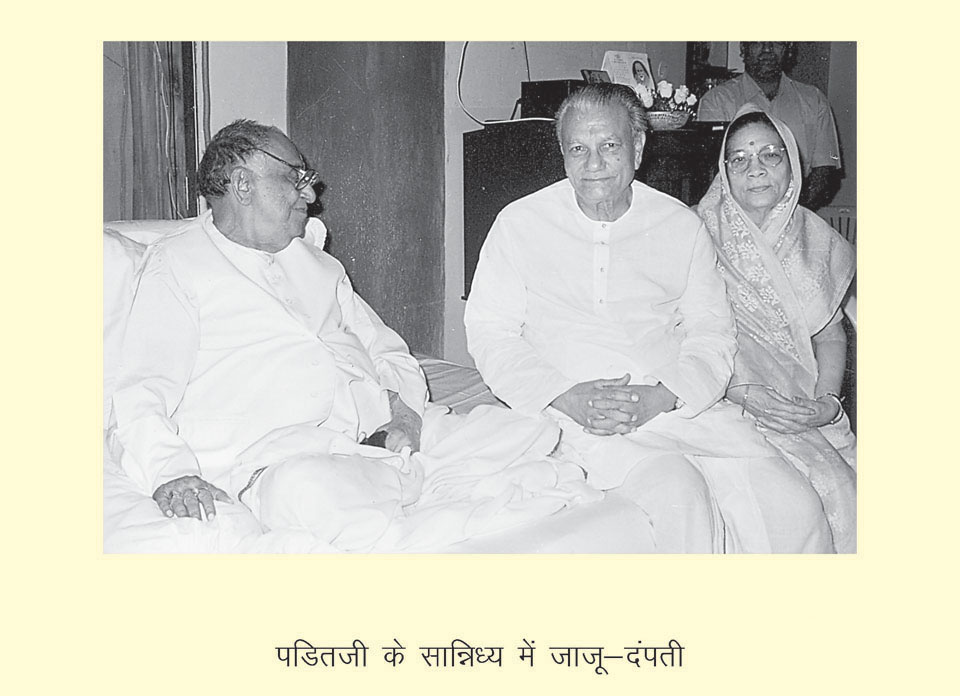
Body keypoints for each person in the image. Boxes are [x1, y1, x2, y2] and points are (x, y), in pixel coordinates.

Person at [107, 120, 600, 552]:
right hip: (277, 457)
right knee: (301, 490)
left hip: (381, 438)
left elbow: (387, 349)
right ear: (242, 184)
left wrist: (405, 416)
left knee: (533, 429)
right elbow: (142, 387)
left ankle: (401, 481)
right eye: (296, 179)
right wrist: (172, 473)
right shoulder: (177, 263)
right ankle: (412, 491)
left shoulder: (318, 263)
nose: (310, 196)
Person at [464, 83, 836, 553]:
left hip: (679, 409)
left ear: (638, 147)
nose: (593, 163)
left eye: (609, 145)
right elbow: (490, 332)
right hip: (579, 417)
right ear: (562, 153)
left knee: (794, 505)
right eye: (578, 149)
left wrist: (664, 396)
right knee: (681, 497)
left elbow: (712, 333)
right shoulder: (519, 223)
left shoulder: (679, 224)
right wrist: (564, 395)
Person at [696, 105, 857, 552]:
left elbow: (830, 334)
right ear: (724, 172)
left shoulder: (819, 240)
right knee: (793, 502)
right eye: (739, 159)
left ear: (793, 164)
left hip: (801, 405)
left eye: (770, 155)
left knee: (847, 491)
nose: (756, 170)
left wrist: (826, 404)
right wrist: (739, 390)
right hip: (721, 398)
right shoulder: (694, 232)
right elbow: (676, 332)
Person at [696, 42, 841, 210]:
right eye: (758, 42)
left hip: (798, 212)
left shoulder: (813, 100)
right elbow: (712, 176)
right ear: (744, 48)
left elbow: (825, 171)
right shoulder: (717, 101)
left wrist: (785, 215)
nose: (767, 49)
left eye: (776, 42)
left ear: (788, 49)